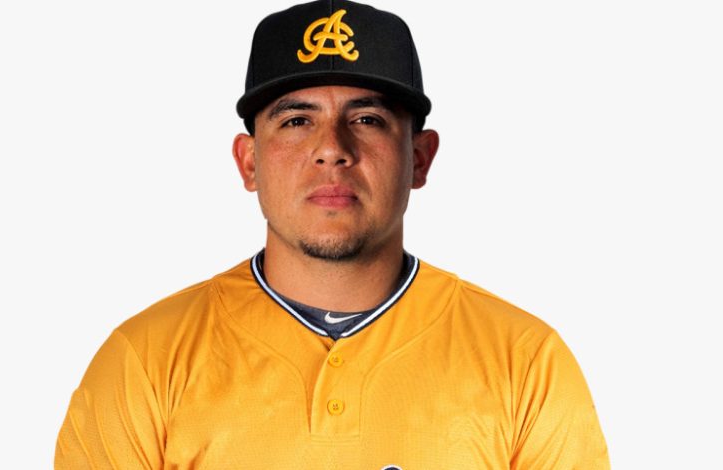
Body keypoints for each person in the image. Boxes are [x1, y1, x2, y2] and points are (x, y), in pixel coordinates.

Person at [55, 0, 610, 468]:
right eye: (296, 120)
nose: (332, 149)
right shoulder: (144, 361)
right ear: (249, 162)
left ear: (419, 158)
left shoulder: (524, 361)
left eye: (367, 119)